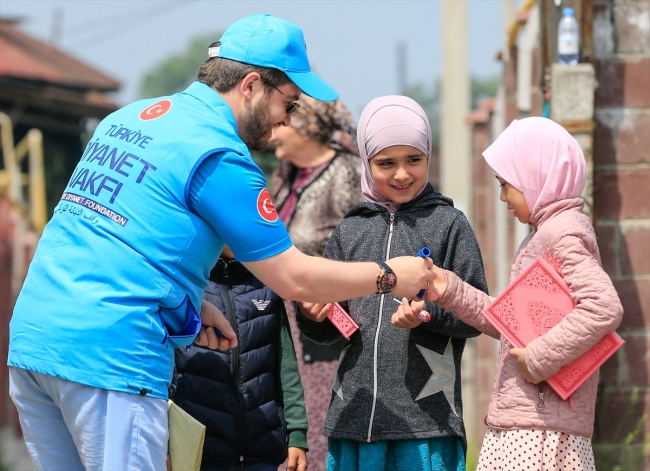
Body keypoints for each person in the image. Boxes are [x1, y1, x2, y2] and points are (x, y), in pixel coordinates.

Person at [7, 14, 435, 471]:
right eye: (288, 103)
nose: (287, 120)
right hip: (112, 359)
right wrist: (391, 275)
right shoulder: (219, 154)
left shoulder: (128, 119)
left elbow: (109, 236)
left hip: (35, 347)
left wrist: (186, 301)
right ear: (250, 85)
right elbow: (292, 276)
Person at [408, 117, 624, 471]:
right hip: (529, 419)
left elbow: (603, 306)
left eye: (507, 184)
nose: (502, 196)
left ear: (537, 178)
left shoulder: (562, 235)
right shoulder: (545, 234)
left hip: (539, 431)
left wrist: (539, 358)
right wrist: (448, 288)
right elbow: (513, 323)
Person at [296, 96, 488, 471]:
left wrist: (427, 313)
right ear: (367, 163)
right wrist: (315, 317)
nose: (401, 174)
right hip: (355, 419)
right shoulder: (350, 230)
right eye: (386, 163)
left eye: (413, 160)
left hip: (425, 426)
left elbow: (479, 315)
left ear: (428, 157)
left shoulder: (450, 224)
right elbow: (332, 329)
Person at [269, 95, 363, 470]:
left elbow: (365, 243)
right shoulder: (285, 177)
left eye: (281, 122)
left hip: (327, 328)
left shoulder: (346, 173)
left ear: (305, 124)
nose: (272, 131)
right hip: (286, 324)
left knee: (318, 435)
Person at [170, 246, 308, 471]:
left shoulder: (265, 281)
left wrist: (297, 434)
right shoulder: (185, 281)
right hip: (196, 452)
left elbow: (286, 365)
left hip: (262, 452)